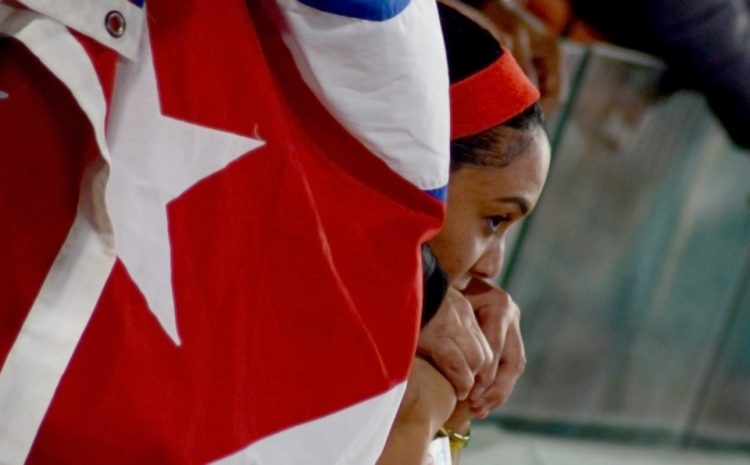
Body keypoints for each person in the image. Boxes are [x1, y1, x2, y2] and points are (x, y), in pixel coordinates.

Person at [378, 3, 552, 464]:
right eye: (494, 220)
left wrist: (459, 414)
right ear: (421, 173)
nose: (493, 266)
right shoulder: (409, 379)